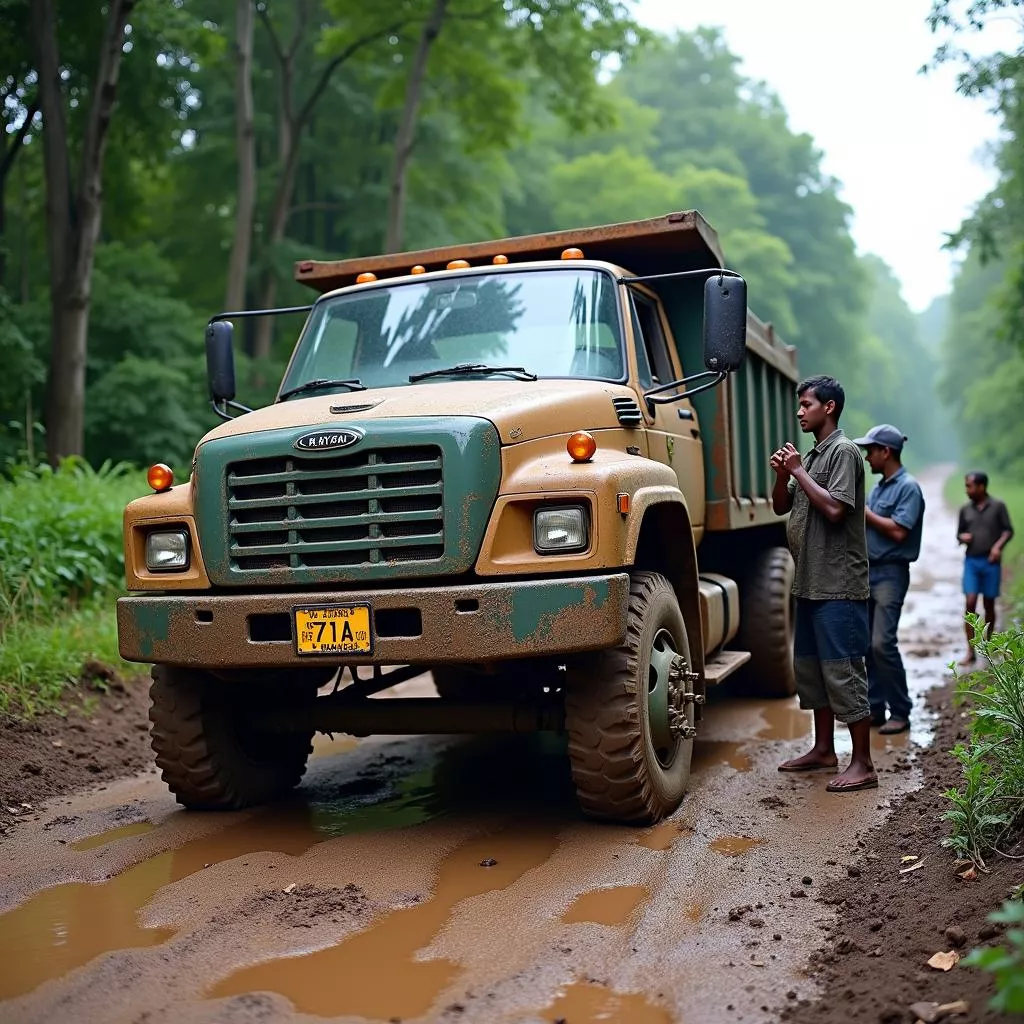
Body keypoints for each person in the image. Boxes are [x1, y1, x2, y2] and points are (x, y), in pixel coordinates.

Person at [770, 375, 875, 793]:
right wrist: (783, 474)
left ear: (829, 408)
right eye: (799, 405)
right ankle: (823, 749)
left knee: (843, 671)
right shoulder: (812, 457)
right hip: (809, 583)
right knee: (812, 670)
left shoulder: (844, 452)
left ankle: (863, 763)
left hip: (839, 586)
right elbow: (781, 505)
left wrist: (797, 469)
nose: (800, 412)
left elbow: (834, 510)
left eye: (806, 405)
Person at [851, 424, 925, 736]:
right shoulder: (879, 488)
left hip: (891, 574)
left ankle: (901, 711)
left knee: (883, 643)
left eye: (871, 451)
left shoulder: (908, 487)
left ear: (886, 452)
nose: (867, 457)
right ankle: (875, 708)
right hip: (869, 572)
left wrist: (863, 512)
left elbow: (898, 531)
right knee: (868, 645)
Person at [957, 471, 1014, 665]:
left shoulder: (998, 506)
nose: (967, 490)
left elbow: (1008, 530)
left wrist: (998, 547)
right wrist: (962, 537)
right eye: (966, 486)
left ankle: (988, 645)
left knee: (989, 603)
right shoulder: (965, 510)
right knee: (970, 602)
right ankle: (970, 651)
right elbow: (959, 534)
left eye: (970, 486)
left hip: (991, 562)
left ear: (981, 486)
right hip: (972, 561)